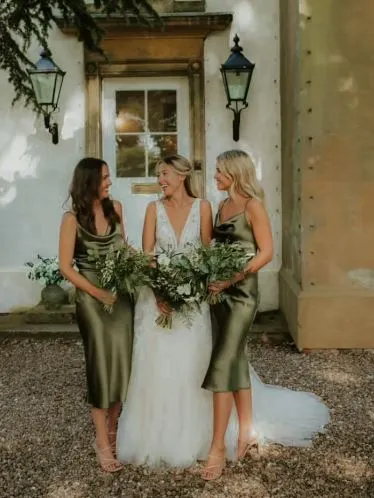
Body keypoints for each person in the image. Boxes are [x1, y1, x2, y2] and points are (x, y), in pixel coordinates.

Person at [201, 150, 330, 480]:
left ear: (234, 172)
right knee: (236, 360)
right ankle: (246, 430)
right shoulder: (220, 206)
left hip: (242, 294)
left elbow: (267, 252)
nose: (214, 176)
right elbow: (216, 247)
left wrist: (232, 278)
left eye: (219, 171)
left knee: (222, 363)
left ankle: (217, 448)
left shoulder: (251, 206)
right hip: (218, 294)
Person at [116, 154, 215, 467]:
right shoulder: (152, 209)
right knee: (156, 365)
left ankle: (196, 436)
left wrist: (190, 290)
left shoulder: (203, 208)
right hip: (155, 301)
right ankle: (151, 435)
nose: (160, 180)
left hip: (193, 301)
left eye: (165, 174)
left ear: (182, 175)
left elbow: (208, 258)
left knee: (190, 362)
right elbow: (148, 257)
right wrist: (160, 292)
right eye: (159, 175)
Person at [59, 157, 134, 473]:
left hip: (121, 296)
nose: (109, 181)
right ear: (89, 181)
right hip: (92, 300)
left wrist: (148, 267)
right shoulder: (71, 219)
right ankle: (102, 442)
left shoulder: (116, 208)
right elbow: (65, 268)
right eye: (104, 177)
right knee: (101, 366)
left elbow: (125, 250)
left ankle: (115, 427)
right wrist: (97, 292)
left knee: (123, 363)